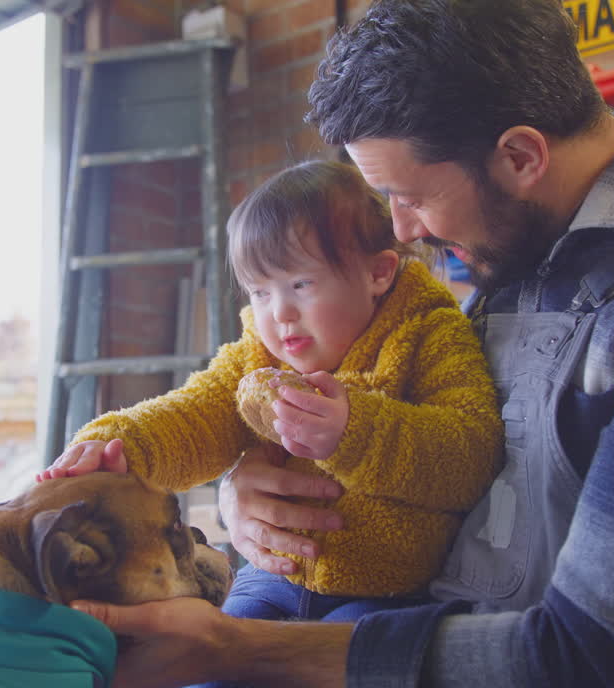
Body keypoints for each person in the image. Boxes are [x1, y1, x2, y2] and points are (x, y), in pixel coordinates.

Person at [62, 0, 614, 687]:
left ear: (520, 156)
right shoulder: (524, 258)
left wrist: (240, 648)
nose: (403, 232)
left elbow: (596, 663)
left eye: (411, 197)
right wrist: (257, 497)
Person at [42, 160, 503, 630]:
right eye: (260, 292)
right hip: (270, 577)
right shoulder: (258, 356)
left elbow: (473, 454)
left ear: (378, 274)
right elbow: (193, 417)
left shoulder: (430, 333)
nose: (280, 313)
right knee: (209, 664)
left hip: (391, 591)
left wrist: (355, 431)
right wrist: (119, 447)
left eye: (301, 284)